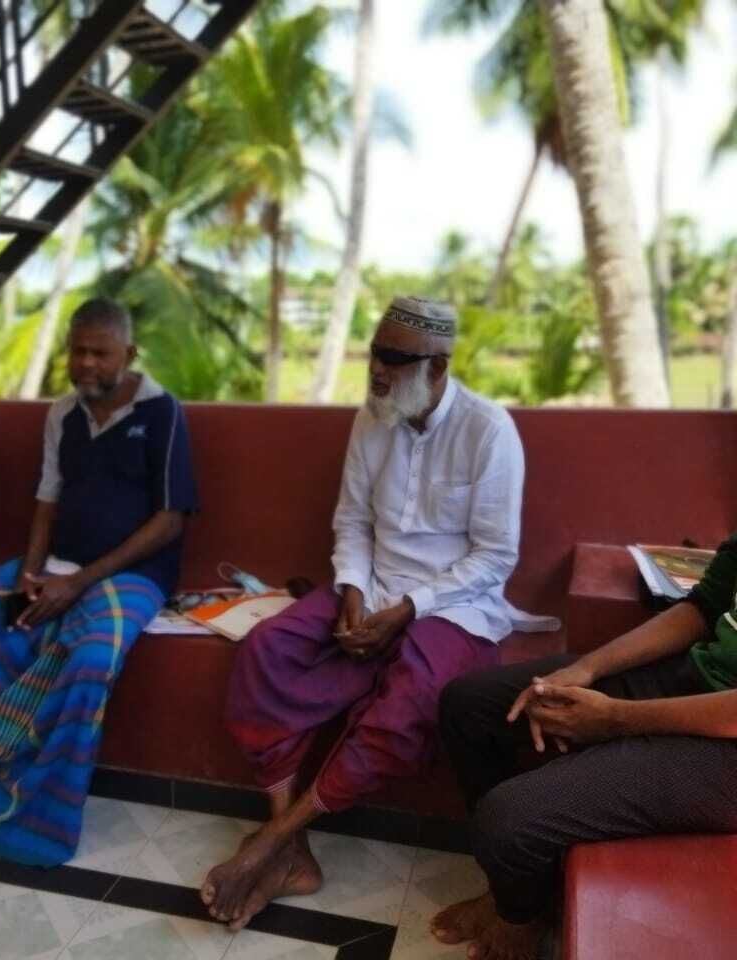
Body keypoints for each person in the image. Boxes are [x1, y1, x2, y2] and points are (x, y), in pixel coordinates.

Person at [202, 296, 545, 930]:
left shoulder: (488, 429)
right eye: (375, 355)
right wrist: (355, 592)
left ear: (437, 367)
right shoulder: (374, 417)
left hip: (455, 605)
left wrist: (411, 608)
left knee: (411, 701)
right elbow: (354, 523)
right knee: (268, 650)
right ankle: (290, 848)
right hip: (373, 587)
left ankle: (272, 842)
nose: (378, 371)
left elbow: (496, 556)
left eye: (394, 358)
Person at [0, 297, 199, 867]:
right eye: (77, 352)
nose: (87, 364)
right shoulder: (63, 413)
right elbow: (47, 501)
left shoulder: (162, 412)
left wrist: (79, 583)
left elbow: (170, 519)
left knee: (91, 661)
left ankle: (26, 819)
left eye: (100, 353)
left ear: (129, 354)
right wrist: (31, 574)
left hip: (131, 577)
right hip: (55, 566)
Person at [429, 536, 737, 960]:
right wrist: (586, 668)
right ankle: (519, 887)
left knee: (505, 821)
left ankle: (519, 918)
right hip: (701, 678)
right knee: (468, 707)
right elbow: (703, 607)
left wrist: (613, 718)